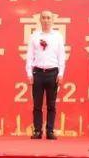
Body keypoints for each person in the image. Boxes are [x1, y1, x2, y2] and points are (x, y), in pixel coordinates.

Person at [25, 10, 66, 139]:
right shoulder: (34, 36)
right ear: (40, 20)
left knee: (51, 104)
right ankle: (37, 131)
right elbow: (30, 55)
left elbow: (61, 56)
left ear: (52, 20)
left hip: (52, 72)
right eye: (43, 18)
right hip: (37, 72)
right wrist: (29, 73)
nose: (46, 20)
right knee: (37, 104)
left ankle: (50, 130)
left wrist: (61, 73)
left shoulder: (57, 36)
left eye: (48, 18)